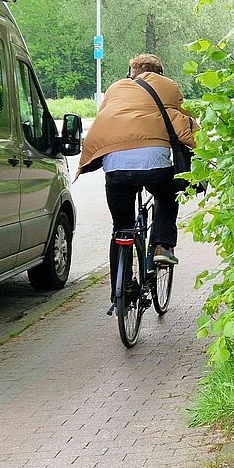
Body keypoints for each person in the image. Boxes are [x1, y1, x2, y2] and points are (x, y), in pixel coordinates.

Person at [77, 54, 198, 300]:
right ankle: (163, 245)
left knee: (121, 228)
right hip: (154, 164)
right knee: (167, 195)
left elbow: (106, 119)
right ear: (160, 73)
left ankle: (121, 290)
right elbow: (183, 123)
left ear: (130, 71)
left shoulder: (115, 89)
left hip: (116, 166)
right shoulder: (168, 87)